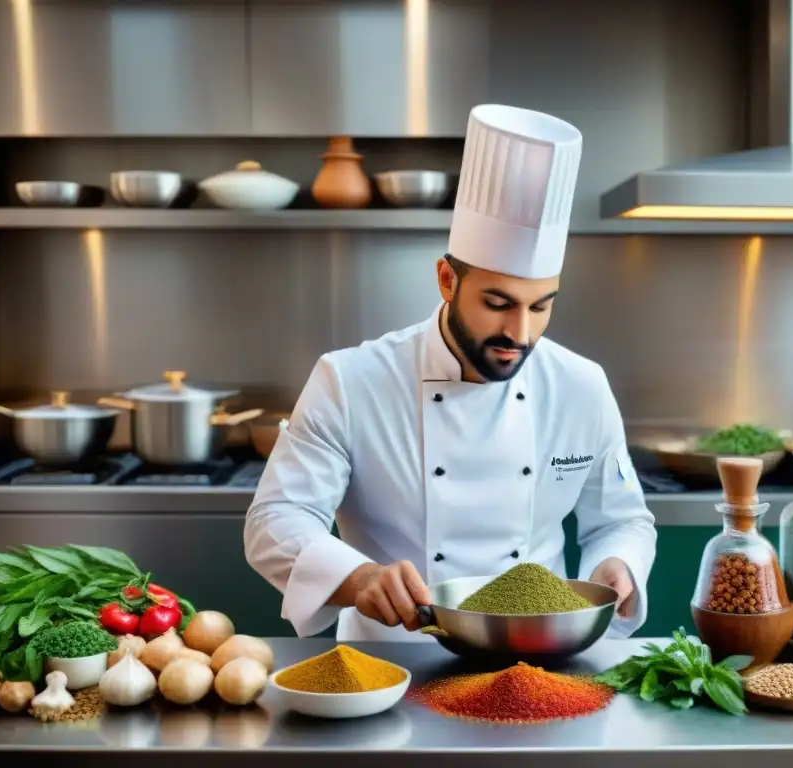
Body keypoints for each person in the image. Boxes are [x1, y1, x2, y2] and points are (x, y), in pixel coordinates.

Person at [244, 104, 658, 642]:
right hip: (393, 660)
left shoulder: (580, 385)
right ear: (446, 279)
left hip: (538, 661)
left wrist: (617, 565)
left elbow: (622, 520)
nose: (521, 333)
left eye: (540, 306)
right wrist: (357, 577)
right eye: (497, 302)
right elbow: (275, 520)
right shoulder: (351, 382)